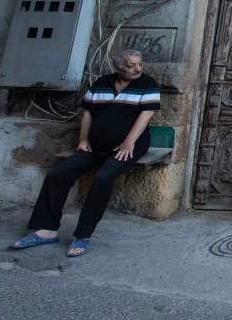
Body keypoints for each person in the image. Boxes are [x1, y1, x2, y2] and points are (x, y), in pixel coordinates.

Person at [10, 50, 160, 257]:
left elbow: (147, 113)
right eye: (131, 65)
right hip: (95, 146)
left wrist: (128, 142)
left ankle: (83, 235)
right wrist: (83, 140)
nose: (137, 69)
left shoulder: (147, 83)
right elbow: (87, 112)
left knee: (104, 177)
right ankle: (46, 230)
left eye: (140, 64)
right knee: (57, 175)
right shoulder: (102, 83)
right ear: (118, 67)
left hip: (128, 147)